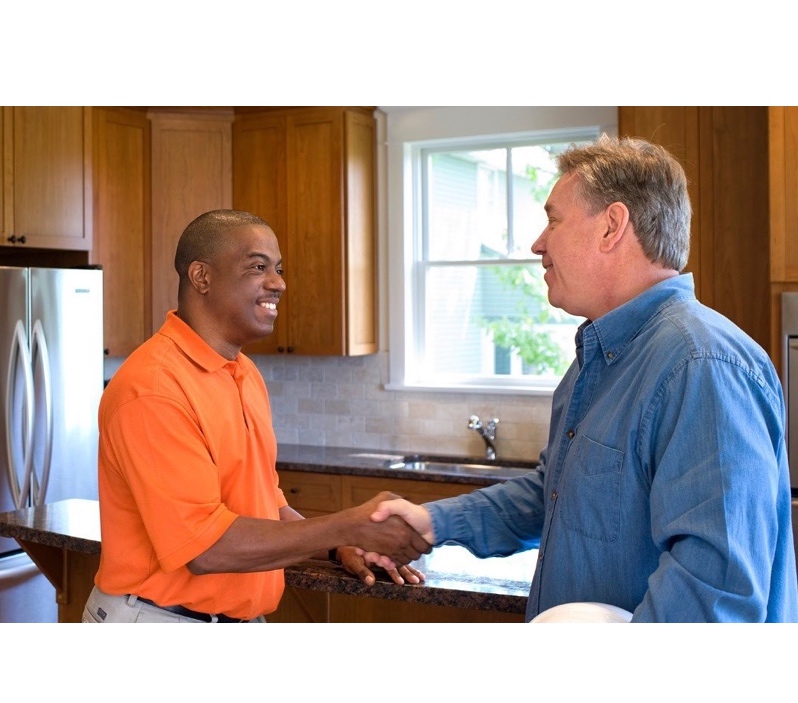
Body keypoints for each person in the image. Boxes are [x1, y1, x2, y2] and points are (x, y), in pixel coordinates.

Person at [371, 134, 798, 623]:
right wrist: (432, 523)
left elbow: (714, 590)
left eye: (554, 218)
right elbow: (553, 494)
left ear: (612, 226)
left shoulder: (702, 365)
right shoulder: (599, 358)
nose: (538, 242)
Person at [83, 209, 429, 623]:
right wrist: (347, 526)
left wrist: (336, 548)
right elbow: (205, 549)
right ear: (202, 277)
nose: (279, 283)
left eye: (279, 269)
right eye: (258, 267)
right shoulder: (154, 389)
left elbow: (266, 507)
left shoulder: (242, 372)